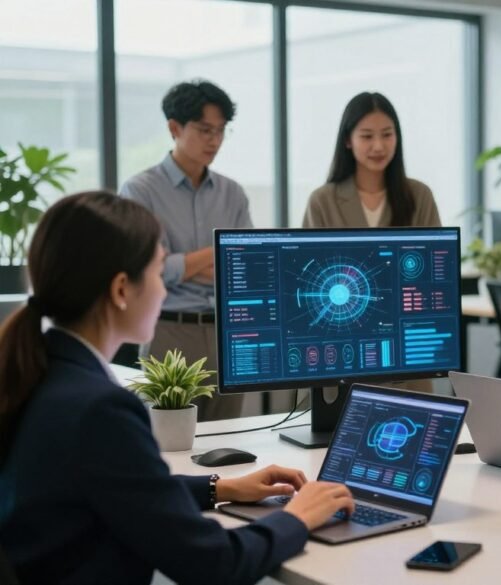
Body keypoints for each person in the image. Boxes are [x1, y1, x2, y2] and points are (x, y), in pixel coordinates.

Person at [0, 192, 355, 584]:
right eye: (156, 273)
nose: (164, 290)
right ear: (121, 290)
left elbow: (124, 488)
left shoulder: (42, 372)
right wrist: (298, 517)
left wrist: (223, 487)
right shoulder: (100, 409)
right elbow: (215, 564)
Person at [121, 79, 252, 421]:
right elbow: (150, 270)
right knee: (169, 445)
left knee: (230, 444)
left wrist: (184, 263)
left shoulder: (232, 193)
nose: (215, 140)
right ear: (174, 127)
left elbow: (246, 266)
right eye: (205, 129)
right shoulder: (140, 190)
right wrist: (217, 253)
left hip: (227, 332)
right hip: (168, 331)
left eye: (222, 130)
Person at [303, 91, 441, 229]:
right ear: (348, 140)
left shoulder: (420, 196)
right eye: (367, 136)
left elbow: (437, 249)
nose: (378, 146)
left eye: (387, 134)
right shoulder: (322, 201)